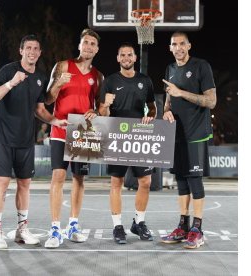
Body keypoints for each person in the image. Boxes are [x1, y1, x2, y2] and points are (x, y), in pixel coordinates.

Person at [0, 34, 68, 249]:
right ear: (21, 51)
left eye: (36, 48)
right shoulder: (8, 71)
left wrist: (55, 120)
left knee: (24, 184)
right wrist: (11, 83)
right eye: (28, 48)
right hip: (2, 137)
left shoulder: (39, 78)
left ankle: (22, 230)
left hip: (25, 140)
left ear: (39, 53)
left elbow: (40, 110)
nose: (32, 51)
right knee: (2, 183)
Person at [44, 29, 103, 248]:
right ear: (79, 45)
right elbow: (49, 99)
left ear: (97, 49)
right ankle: (55, 229)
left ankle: (73, 226)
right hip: (61, 127)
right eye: (85, 42)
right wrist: (59, 83)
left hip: (84, 131)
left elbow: (100, 106)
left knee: (79, 179)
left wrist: (96, 112)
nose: (88, 46)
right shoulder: (62, 66)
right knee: (58, 176)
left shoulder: (98, 75)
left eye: (92, 44)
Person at [161, 31, 217, 249]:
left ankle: (197, 229)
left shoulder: (202, 66)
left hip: (196, 133)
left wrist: (181, 93)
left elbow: (211, 101)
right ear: (170, 47)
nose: (178, 48)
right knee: (181, 181)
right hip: (177, 133)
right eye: (174, 44)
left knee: (194, 180)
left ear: (189, 45)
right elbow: (168, 98)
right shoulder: (170, 69)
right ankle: (183, 227)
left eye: (182, 44)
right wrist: (166, 112)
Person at [98, 42, 157, 244]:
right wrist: (106, 104)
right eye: (122, 54)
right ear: (117, 58)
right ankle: (117, 226)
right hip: (116, 135)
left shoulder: (145, 80)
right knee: (116, 182)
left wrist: (151, 116)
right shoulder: (110, 81)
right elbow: (102, 114)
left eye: (129, 55)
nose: (126, 58)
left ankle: (139, 222)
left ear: (135, 58)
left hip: (139, 135)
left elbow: (152, 107)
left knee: (146, 182)